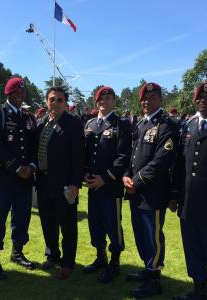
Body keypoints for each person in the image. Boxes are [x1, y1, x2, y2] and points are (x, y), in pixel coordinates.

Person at [171, 81, 207, 300]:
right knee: (193, 251)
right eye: (200, 98)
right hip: (189, 203)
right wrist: (175, 195)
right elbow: (180, 164)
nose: (204, 101)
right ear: (195, 101)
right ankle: (199, 290)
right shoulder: (189, 127)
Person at [123, 82, 179, 298]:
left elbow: (161, 161)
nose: (147, 101)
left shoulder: (167, 125)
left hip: (153, 194)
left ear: (160, 100)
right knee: (141, 235)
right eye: (144, 98)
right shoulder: (140, 124)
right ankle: (147, 270)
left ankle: (154, 280)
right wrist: (126, 175)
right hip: (136, 192)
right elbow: (133, 155)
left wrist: (135, 181)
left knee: (153, 237)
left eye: (152, 97)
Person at [0, 77, 36, 280]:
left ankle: (17, 252)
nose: (20, 96)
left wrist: (31, 166)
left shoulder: (27, 116)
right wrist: (15, 167)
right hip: (3, 179)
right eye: (16, 93)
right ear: (8, 94)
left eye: (22, 93)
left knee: (22, 217)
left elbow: (33, 146)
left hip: (24, 180)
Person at [83, 86, 132, 283]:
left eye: (109, 98)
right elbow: (85, 153)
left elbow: (123, 157)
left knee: (113, 225)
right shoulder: (90, 124)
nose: (105, 102)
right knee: (95, 224)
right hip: (93, 186)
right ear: (97, 102)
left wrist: (105, 178)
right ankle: (100, 257)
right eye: (101, 99)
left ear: (114, 101)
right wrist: (85, 173)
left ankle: (115, 262)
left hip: (110, 187)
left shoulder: (121, 124)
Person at [36, 86, 84, 280]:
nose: (55, 103)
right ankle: (52, 255)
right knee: (47, 221)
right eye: (52, 99)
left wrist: (75, 184)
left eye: (60, 100)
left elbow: (79, 157)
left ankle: (67, 261)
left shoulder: (73, 124)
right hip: (43, 181)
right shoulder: (41, 123)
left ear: (66, 103)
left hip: (65, 183)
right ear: (46, 101)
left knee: (67, 224)